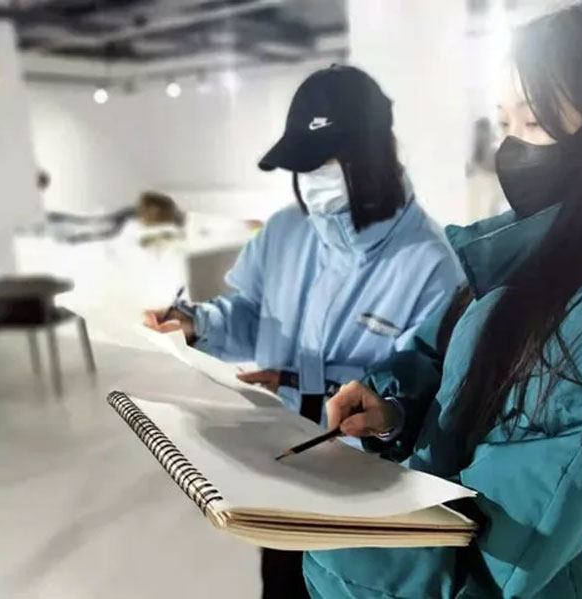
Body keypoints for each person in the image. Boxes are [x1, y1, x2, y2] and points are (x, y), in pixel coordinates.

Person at [304, 3, 582, 598]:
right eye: (503, 123)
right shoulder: (517, 253)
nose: (510, 149)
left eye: (535, 123)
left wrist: (324, 537)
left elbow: (500, 551)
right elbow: (451, 366)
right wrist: (392, 411)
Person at [142, 65, 463, 597]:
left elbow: (424, 397)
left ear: (375, 154)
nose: (311, 178)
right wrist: (197, 324)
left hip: (361, 501)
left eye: (325, 160)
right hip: (279, 468)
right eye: (302, 165)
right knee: (281, 583)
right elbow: (251, 312)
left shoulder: (432, 265)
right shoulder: (286, 230)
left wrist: (376, 413)